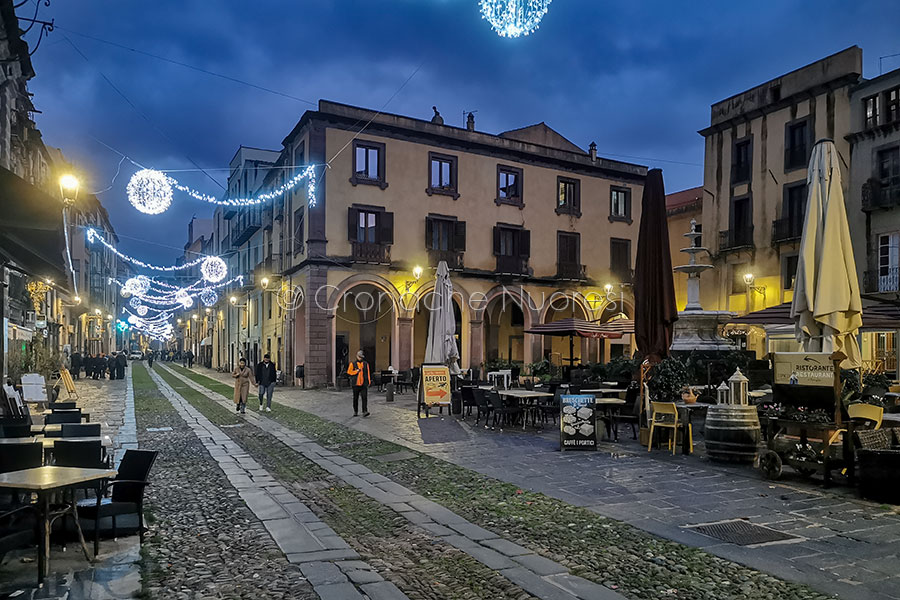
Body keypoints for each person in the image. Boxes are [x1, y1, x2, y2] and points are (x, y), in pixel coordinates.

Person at [346, 350, 371, 417]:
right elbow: (349, 372)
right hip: (355, 384)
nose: (360, 358)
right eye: (359, 357)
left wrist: (369, 381)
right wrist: (356, 371)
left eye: (361, 357)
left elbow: (368, 373)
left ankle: (365, 411)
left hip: (363, 384)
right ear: (357, 356)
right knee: (355, 398)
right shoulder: (352, 364)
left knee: (364, 397)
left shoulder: (366, 364)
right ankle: (355, 411)